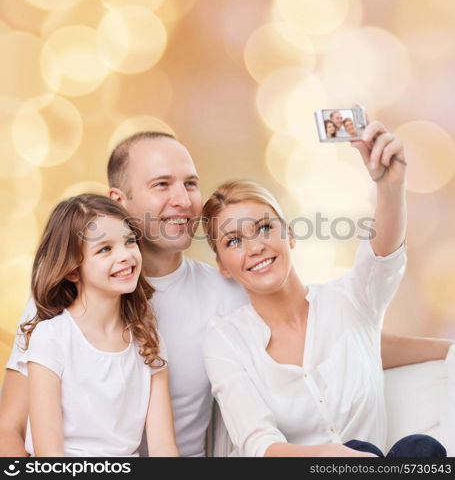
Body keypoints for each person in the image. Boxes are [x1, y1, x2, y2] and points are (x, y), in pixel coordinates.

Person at [1, 131, 453, 457]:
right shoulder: (64, 304)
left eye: (191, 183)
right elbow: (8, 431)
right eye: (162, 185)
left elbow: (335, 338)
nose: (182, 198)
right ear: (118, 201)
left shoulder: (229, 292)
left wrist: (445, 351)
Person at [201, 121, 449, 457]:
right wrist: (332, 456)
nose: (256, 247)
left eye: (263, 228)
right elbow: (258, 443)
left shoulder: (349, 302)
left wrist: (391, 186)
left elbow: (382, 257)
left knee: (419, 450)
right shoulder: (225, 340)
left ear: (290, 234)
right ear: (223, 266)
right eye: (234, 241)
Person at [17, 194, 178, 457]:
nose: (125, 255)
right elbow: (50, 457)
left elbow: (163, 448)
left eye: (129, 241)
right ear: (72, 270)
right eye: (105, 249)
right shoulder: (52, 337)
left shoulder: (149, 339)